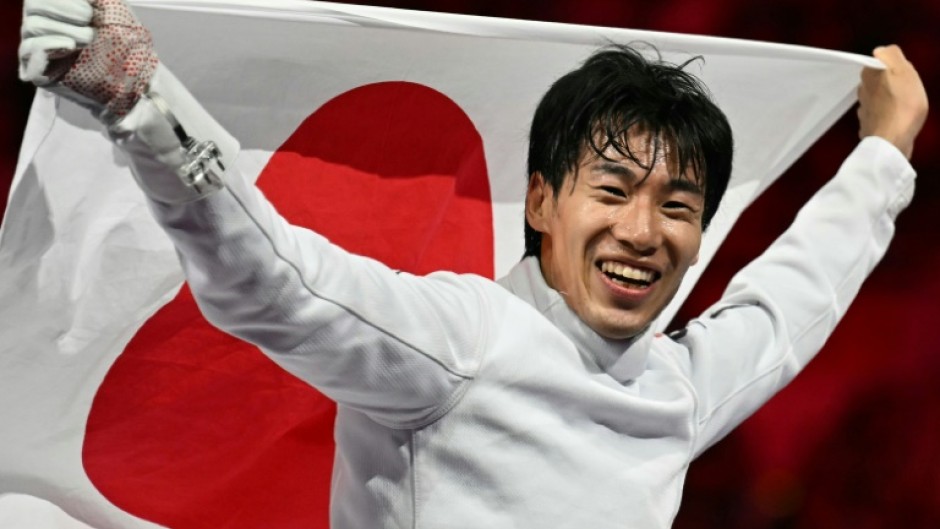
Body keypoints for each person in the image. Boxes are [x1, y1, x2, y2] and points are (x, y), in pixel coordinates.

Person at [18, 0, 928, 527]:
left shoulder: (674, 390)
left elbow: (791, 299)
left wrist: (886, 151)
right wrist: (140, 98)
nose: (645, 231)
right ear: (540, 203)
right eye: (611, 192)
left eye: (678, 206)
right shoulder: (464, 340)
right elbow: (277, 282)